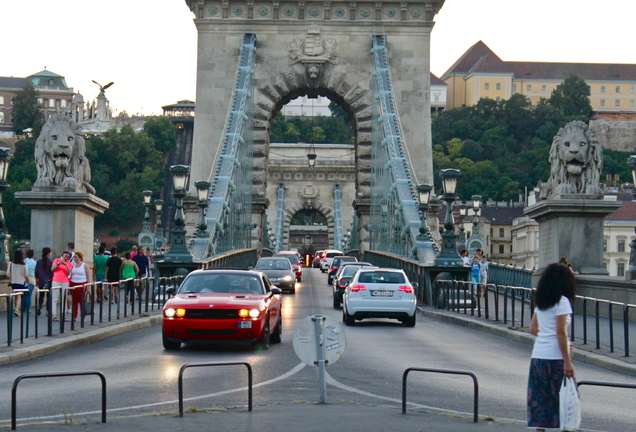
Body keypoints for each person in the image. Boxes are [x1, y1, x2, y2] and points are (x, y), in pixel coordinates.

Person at [527, 263, 576, 431]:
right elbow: (560, 332)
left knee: (540, 402)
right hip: (556, 358)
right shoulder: (562, 301)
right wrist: (568, 361)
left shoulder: (541, 300)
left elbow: (533, 328)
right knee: (563, 402)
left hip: (538, 355)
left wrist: (547, 335)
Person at [51, 250, 73, 322]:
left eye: (68, 257)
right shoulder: (57, 260)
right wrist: (59, 264)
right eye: (65, 256)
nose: (66, 258)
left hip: (65, 281)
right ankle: (54, 315)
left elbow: (68, 273)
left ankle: (63, 314)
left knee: (64, 298)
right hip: (56, 280)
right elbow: (52, 268)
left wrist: (67, 266)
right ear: (62, 255)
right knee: (55, 298)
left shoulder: (69, 263)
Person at [69, 252, 91, 321]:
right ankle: (74, 316)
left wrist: (89, 286)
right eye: (74, 257)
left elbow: (88, 276)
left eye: (76, 257)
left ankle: (82, 315)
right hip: (73, 283)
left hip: (82, 284)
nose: (75, 259)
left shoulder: (84, 265)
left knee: (81, 300)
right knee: (74, 301)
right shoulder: (73, 265)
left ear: (80, 258)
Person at [8, 250, 29, 316]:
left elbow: (8, 273)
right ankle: (17, 309)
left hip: (13, 282)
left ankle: (16, 308)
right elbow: (26, 275)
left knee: (15, 295)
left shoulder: (11, 264)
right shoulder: (24, 265)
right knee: (19, 295)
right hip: (21, 282)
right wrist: (28, 281)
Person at [35, 247, 53, 315]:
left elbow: (36, 272)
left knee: (41, 296)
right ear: (48, 253)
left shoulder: (39, 261)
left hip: (41, 281)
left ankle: (39, 307)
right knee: (48, 296)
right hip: (48, 281)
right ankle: (48, 310)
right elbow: (52, 272)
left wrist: (37, 279)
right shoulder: (51, 261)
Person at [24, 249, 37, 314]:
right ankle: (28, 308)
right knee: (29, 294)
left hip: (24, 279)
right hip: (31, 279)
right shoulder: (34, 262)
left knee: (24, 294)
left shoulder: (24, 261)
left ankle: (24, 307)